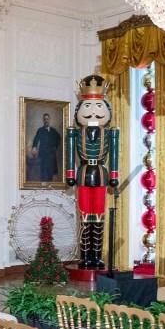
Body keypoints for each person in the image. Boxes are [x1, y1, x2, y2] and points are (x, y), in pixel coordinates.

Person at [65, 75, 119, 270]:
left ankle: (97, 255)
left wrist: (114, 176)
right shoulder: (75, 132)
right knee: (84, 216)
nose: (93, 112)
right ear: (80, 109)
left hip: (101, 174)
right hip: (83, 173)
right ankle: (84, 256)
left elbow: (113, 155)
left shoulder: (111, 132)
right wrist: (70, 174)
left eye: (98, 106)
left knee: (99, 216)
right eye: (87, 106)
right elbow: (70, 153)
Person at [31, 113, 61, 182]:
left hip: (51, 156)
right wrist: (34, 147)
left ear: (49, 120)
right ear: (43, 120)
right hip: (43, 155)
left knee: (50, 173)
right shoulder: (40, 130)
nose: (46, 121)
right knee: (43, 174)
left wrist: (55, 146)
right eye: (45, 119)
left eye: (47, 119)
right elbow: (36, 139)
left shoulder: (53, 130)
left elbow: (58, 138)